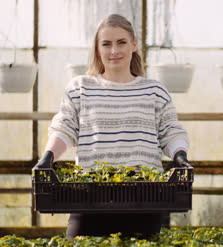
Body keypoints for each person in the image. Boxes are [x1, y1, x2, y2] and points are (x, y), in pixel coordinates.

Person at [33, 14, 190, 239]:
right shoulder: (80, 88)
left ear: (134, 45)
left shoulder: (154, 91)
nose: (114, 51)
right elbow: (64, 127)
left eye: (121, 42)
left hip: (145, 197)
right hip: (89, 197)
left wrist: (180, 155)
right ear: (97, 49)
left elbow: (170, 131)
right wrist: (48, 157)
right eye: (106, 44)